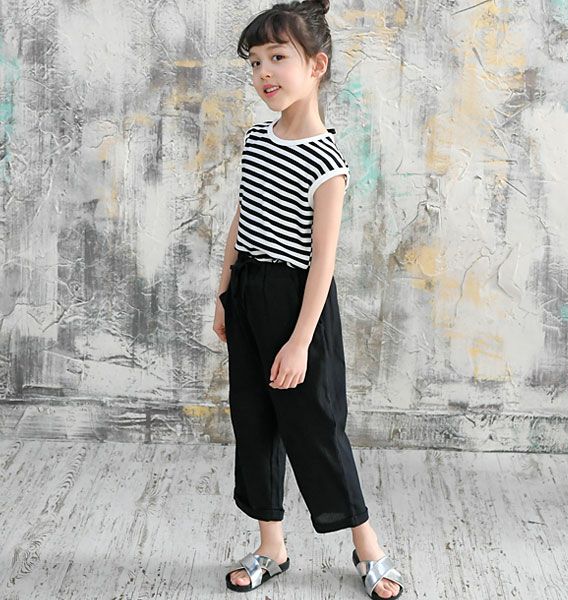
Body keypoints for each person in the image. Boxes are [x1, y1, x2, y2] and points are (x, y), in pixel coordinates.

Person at [213, 1, 405, 598]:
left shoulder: (327, 160)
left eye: (278, 57)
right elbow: (240, 221)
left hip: (301, 303)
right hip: (249, 294)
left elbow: (323, 260)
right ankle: (271, 547)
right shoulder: (256, 139)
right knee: (254, 420)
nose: (264, 72)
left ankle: (368, 548)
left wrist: (299, 341)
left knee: (318, 427)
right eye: (254, 62)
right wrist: (224, 294)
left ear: (316, 65)